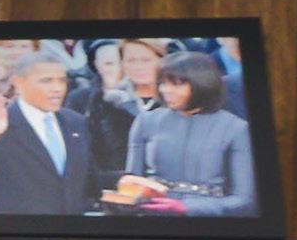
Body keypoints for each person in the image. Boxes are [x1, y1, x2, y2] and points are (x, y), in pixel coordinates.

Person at [107, 51, 256, 217]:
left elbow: (244, 199)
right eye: (162, 83)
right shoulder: (146, 121)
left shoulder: (235, 128)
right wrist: (125, 199)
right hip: (153, 217)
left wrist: (187, 208)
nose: (165, 90)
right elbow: (132, 181)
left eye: (176, 84)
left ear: (202, 83)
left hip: (208, 221)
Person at [0, 45, 100, 215]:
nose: (57, 88)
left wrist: (124, 180)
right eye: (46, 81)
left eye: (62, 80)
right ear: (19, 83)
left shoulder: (75, 122)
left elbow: (89, 180)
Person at [82, 40, 136, 190]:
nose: (117, 69)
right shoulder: (81, 98)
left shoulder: (145, 100)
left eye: (121, 62)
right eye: (108, 63)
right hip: (98, 180)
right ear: (96, 65)